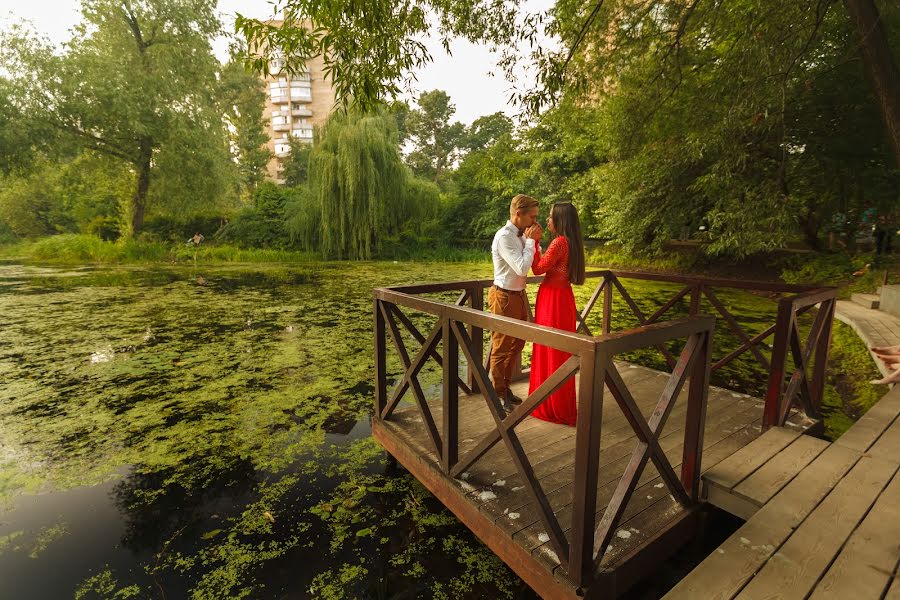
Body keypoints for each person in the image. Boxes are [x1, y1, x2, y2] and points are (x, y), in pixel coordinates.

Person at [529, 203, 586, 426]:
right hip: (564, 297)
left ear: (560, 220)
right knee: (560, 351)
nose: (547, 221)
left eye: (551, 217)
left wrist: (532, 242)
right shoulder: (572, 242)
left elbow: (538, 269)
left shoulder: (559, 242)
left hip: (552, 298)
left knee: (550, 347)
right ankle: (557, 402)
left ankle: (550, 405)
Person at [489, 194, 542, 411]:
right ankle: (498, 395)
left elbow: (534, 260)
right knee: (501, 348)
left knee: (517, 344)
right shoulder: (504, 237)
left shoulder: (523, 234)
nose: (535, 222)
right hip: (503, 296)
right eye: (532, 216)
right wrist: (530, 242)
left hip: (518, 295)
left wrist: (533, 242)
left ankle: (504, 387)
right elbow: (521, 268)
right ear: (518, 214)